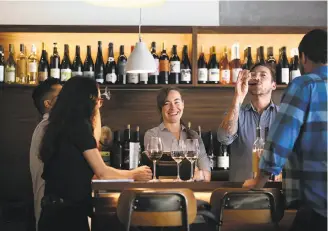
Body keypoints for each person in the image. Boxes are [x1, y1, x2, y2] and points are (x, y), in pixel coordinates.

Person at [38, 77, 152, 231]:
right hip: (67, 217)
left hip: (53, 212)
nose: (99, 102)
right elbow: (103, 172)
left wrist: (97, 109)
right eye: (97, 99)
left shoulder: (61, 124)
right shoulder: (77, 126)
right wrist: (133, 174)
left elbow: (92, 141)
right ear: (86, 100)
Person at [243, 29, 327, 231]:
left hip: (318, 205)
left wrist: (258, 182)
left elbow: (280, 141)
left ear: (303, 57)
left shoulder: (305, 85)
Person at [217, 63, 281, 182]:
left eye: (263, 75)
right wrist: (238, 97)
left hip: (276, 191)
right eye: (253, 75)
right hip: (240, 192)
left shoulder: (283, 115)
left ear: (273, 85)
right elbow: (223, 138)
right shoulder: (237, 113)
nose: (257, 78)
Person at [144, 87, 211, 182]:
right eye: (167, 103)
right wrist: (192, 173)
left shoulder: (194, 136)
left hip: (190, 193)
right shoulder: (152, 135)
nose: (173, 107)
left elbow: (207, 175)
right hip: (162, 193)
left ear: (183, 104)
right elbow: (153, 174)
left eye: (177, 102)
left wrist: (200, 174)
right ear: (161, 108)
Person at [30, 77, 62, 230]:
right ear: (48, 104)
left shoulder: (46, 127)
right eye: (60, 97)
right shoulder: (48, 128)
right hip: (50, 212)